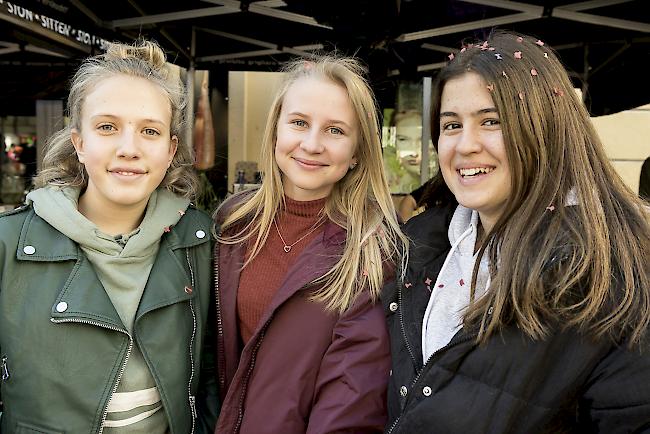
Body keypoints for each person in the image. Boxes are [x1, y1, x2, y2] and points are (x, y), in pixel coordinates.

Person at [384, 30, 650, 433]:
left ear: (545, 128)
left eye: (491, 121)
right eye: (451, 125)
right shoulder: (421, 246)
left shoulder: (610, 272)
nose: (465, 145)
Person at [0, 40, 219, 432]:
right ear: (79, 143)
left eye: (149, 131)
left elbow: (210, 374)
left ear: (170, 151)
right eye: (107, 127)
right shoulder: (7, 244)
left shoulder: (201, 243)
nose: (129, 148)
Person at [213, 55, 408, 433]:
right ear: (275, 132)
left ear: (357, 152)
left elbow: (353, 397)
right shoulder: (233, 222)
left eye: (335, 131)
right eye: (299, 123)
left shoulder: (374, 244)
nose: (312, 144)